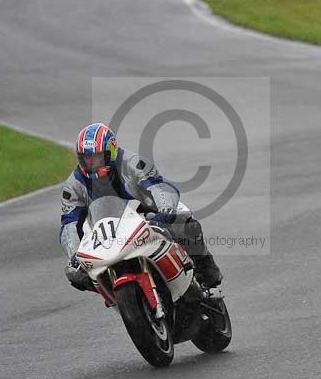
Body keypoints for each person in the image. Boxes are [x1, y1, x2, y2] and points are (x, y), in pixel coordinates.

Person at [59, 122, 223, 292]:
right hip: (106, 232)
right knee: (75, 273)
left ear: (111, 152)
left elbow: (158, 186)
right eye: (86, 157)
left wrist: (165, 209)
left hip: (148, 215)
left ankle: (205, 267)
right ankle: (112, 290)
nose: (91, 162)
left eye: (97, 156)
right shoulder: (74, 184)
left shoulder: (132, 163)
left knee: (186, 224)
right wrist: (74, 253)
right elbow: (69, 223)